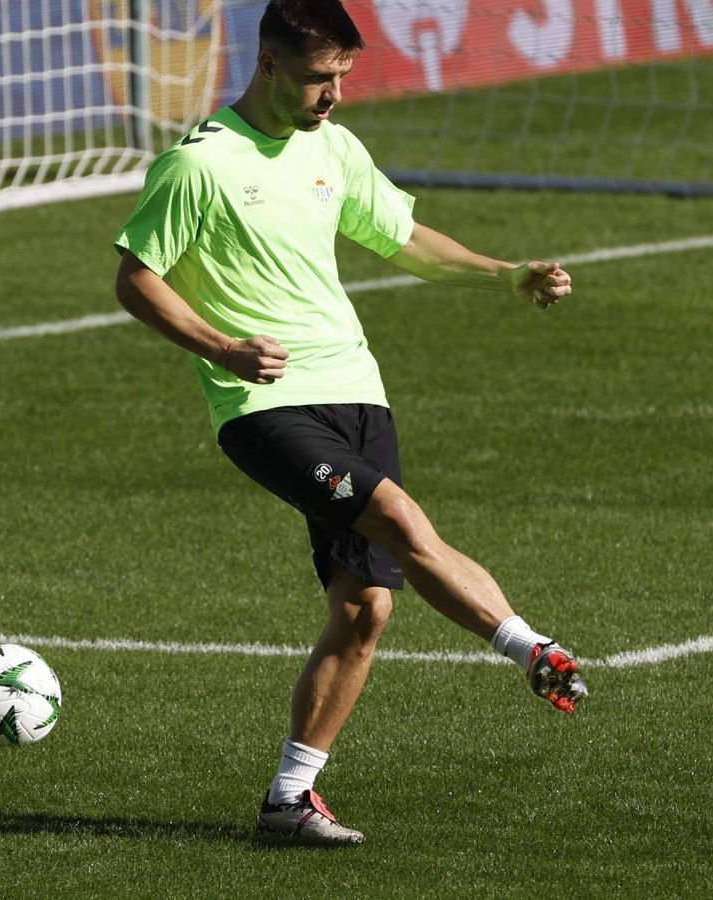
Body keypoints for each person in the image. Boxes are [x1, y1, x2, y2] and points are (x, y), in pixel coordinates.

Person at [112, 0, 588, 846]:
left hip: (358, 391)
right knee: (401, 519)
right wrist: (221, 348)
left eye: (342, 77)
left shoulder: (332, 146)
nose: (333, 95)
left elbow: (400, 236)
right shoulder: (201, 166)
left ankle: (288, 801)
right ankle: (530, 648)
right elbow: (136, 279)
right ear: (267, 66)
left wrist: (503, 273)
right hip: (265, 406)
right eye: (317, 78)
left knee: (367, 607)